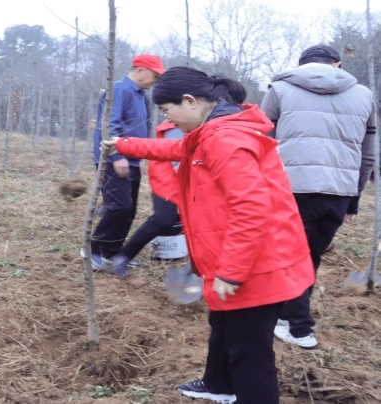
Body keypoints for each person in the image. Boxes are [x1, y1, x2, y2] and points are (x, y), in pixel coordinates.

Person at [104, 67, 315, 404]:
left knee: (250, 353)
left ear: (189, 102)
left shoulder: (224, 139)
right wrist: (124, 145)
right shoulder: (211, 132)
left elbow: (251, 208)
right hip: (250, 258)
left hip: (258, 266)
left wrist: (231, 271)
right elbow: (173, 151)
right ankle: (219, 385)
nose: (167, 119)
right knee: (224, 326)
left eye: (166, 111)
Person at [260, 44, 377, 349]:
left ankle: (299, 329)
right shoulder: (364, 95)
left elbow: (259, 140)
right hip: (339, 191)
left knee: (290, 255)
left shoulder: (280, 88)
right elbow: (367, 155)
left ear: (301, 64)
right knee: (308, 254)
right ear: (337, 64)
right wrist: (354, 198)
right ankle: (287, 318)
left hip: (289, 188)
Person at [90, 54, 166, 270]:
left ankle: (113, 253)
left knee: (129, 209)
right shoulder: (118, 90)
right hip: (114, 159)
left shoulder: (141, 95)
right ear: (141, 69)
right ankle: (94, 250)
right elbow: (110, 125)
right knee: (118, 206)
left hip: (132, 159)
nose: (156, 80)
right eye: (155, 74)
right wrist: (117, 156)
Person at [109, 120, 184, 278]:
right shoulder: (175, 127)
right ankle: (123, 256)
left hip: (183, 181)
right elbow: (178, 161)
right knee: (163, 219)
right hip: (167, 179)